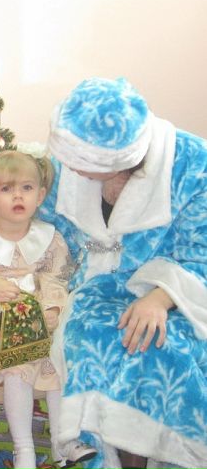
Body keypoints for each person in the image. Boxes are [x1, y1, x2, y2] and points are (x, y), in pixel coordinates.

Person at [39, 77, 207, 469]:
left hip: (180, 293)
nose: (68, 169)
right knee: (95, 339)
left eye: (81, 165)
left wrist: (160, 298)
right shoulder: (69, 158)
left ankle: (165, 456)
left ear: (118, 161)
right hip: (94, 287)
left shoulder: (193, 164)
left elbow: (201, 251)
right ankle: (110, 457)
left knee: (162, 348)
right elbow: (44, 230)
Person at [0, 146, 96, 469]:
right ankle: (23, 449)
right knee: (20, 358)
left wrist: (52, 308)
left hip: (37, 321)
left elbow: (57, 277)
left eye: (26, 188)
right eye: (6, 189)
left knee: (58, 354)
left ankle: (62, 440)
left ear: (39, 196)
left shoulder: (50, 240)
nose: (18, 196)